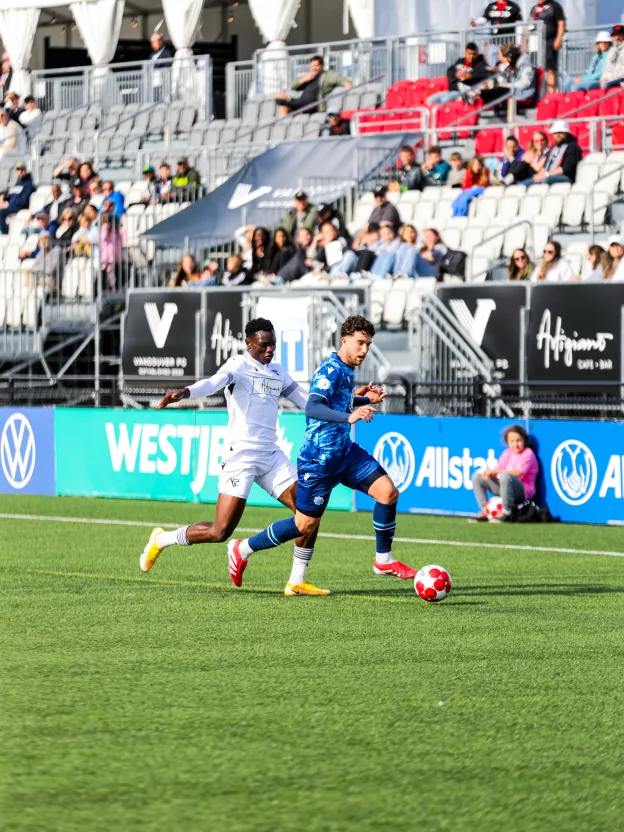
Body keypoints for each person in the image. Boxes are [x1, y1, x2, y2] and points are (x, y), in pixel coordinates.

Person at [227, 315, 418, 595]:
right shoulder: (330, 370)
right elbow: (313, 407)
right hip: (318, 460)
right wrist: (349, 415)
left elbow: (337, 399)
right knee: (304, 525)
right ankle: (243, 549)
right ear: (345, 340)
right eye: (360, 343)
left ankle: (383, 560)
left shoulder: (346, 369)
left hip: (345, 453)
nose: (364, 350)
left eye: (368, 344)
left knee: (388, 493)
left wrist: (363, 399)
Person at [140, 318, 311, 581]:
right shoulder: (238, 365)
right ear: (249, 343)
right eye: (264, 345)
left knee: (307, 512)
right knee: (220, 532)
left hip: (271, 455)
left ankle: (297, 581)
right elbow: (212, 383)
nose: (270, 349)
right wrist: (185, 392)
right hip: (241, 456)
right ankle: (162, 539)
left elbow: (306, 401)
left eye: (273, 344)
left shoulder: (278, 371)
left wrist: (351, 402)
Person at [472, 424, 539, 522]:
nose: (515, 444)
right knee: (477, 477)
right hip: (505, 488)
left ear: (524, 440)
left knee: (505, 476)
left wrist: (495, 471)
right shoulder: (507, 453)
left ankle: (506, 512)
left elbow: (518, 473)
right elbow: (499, 469)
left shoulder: (528, 453)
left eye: (518, 440)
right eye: (512, 441)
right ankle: (486, 511)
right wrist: (489, 473)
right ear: (507, 442)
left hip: (522, 492)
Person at [276, 55, 351, 118]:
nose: (314, 68)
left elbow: (345, 82)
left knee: (281, 101)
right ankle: (285, 129)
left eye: (316, 66)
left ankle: (290, 103)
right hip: (300, 103)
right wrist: (304, 79)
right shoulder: (308, 76)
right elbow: (292, 87)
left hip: (313, 105)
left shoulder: (328, 75)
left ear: (322, 66)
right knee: (281, 104)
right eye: (312, 66)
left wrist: (347, 89)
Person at [524, 120, 581, 186]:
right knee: (524, 184)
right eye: (555, 133)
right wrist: (539, 175)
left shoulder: (572, 147)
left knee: (546, 180)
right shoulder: (553, 148)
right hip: (550, 175)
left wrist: (547, 174)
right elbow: (546, 166)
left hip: (566, 177)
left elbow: (566, 168)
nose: (557, 135)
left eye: (561, 132)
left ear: (566, 133)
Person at [528, 0, 566, 94]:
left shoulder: (554, 6)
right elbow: (528, 26)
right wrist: (525, 41)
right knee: (534, 69)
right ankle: (536, 94)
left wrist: (558, 38)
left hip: (549, 41)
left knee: (550, 69)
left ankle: (551, 95)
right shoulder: (534, 8)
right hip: (535, 42)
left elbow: (561, 23)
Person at [0, 161, 35, 234]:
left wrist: (8, 205)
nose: (20, 171)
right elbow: (12, 195)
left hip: (19, 207)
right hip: (11, 206)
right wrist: (4, 197)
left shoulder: (28, 184)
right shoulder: (18, 183)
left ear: (25, 170)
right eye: (18, 169)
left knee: (1, 213)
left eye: (22, 169)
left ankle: (5, 234)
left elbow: (24, 201)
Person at [150, 32, 173, 102]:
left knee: (163, 99)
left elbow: (168, 64)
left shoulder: (166, 53)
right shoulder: (153, 54)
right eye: (152, 42)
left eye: (155, 42)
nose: (153, 44)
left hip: (163, 81)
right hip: (154, 81)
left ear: (160, 41)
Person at [601, 25, 624, 89]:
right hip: (612, 78)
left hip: (620, 79)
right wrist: (603, 79)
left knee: (606, 86)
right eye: (615, 35)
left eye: (619, 35)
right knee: (590, 87)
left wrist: (610, 78)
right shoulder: (612, 50)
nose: (617, 37)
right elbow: (607, 67)